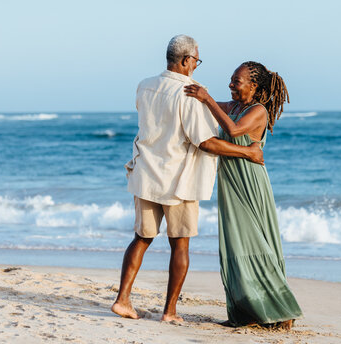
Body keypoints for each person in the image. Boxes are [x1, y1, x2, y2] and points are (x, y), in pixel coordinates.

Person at [111, 36, 264, 323]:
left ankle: (122, 300)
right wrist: (247, 153)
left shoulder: (144, 86)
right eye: (196, 60)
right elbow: (204, 142)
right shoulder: (190, 93)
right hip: (177, 181)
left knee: (141, 238)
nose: (196, 65)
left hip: (146, 173)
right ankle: (169, 312)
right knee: (180, 245)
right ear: (185, 60)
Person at [184, 61, 303, 329]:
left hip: (250, 182)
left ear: (254, 86)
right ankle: (246, 311)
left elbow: (235, 130)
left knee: (254, 243)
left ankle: (283, 310)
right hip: (231, 181)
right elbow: (210, 108)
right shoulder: (234, 107)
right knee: (235, 243)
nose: (230, 85)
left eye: (236, 81)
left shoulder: (257, 111)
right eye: (231, 79)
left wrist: (207, 99)